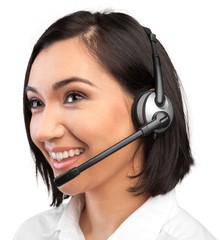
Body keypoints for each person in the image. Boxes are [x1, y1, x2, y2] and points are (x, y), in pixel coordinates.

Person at [14, 10, 216, 240]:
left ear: (152, 111)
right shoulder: (32, 234)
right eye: (36, 103)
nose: (43, 131)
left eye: (74, 96)